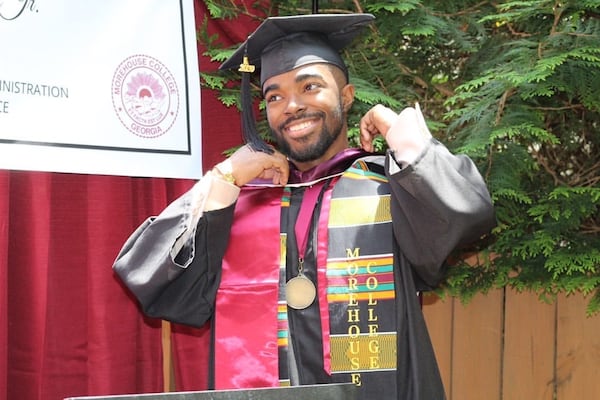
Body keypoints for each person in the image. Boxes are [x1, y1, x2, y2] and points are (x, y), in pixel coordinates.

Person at [113, 13, 496, 400]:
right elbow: (153, 279)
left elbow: (465, 212)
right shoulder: (241, 199)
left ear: (346, 97)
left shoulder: (389, 187)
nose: (291, 106)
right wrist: (224, 177)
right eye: (274, 96)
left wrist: (399, 132)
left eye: (310, 86)